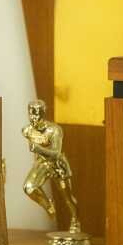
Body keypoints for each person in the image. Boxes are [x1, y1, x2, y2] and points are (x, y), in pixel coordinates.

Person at [22, 100, 81, 235]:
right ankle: (49, 206)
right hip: (43, 164)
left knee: (67, 198)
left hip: (58, 166)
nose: (33, 118)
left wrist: (38, 148)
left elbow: (56, 153)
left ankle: (75, 220)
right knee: (29, 188)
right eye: (31, 114)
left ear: (43, 114)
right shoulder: (27, 130)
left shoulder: (54, 130)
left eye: (36, 114)